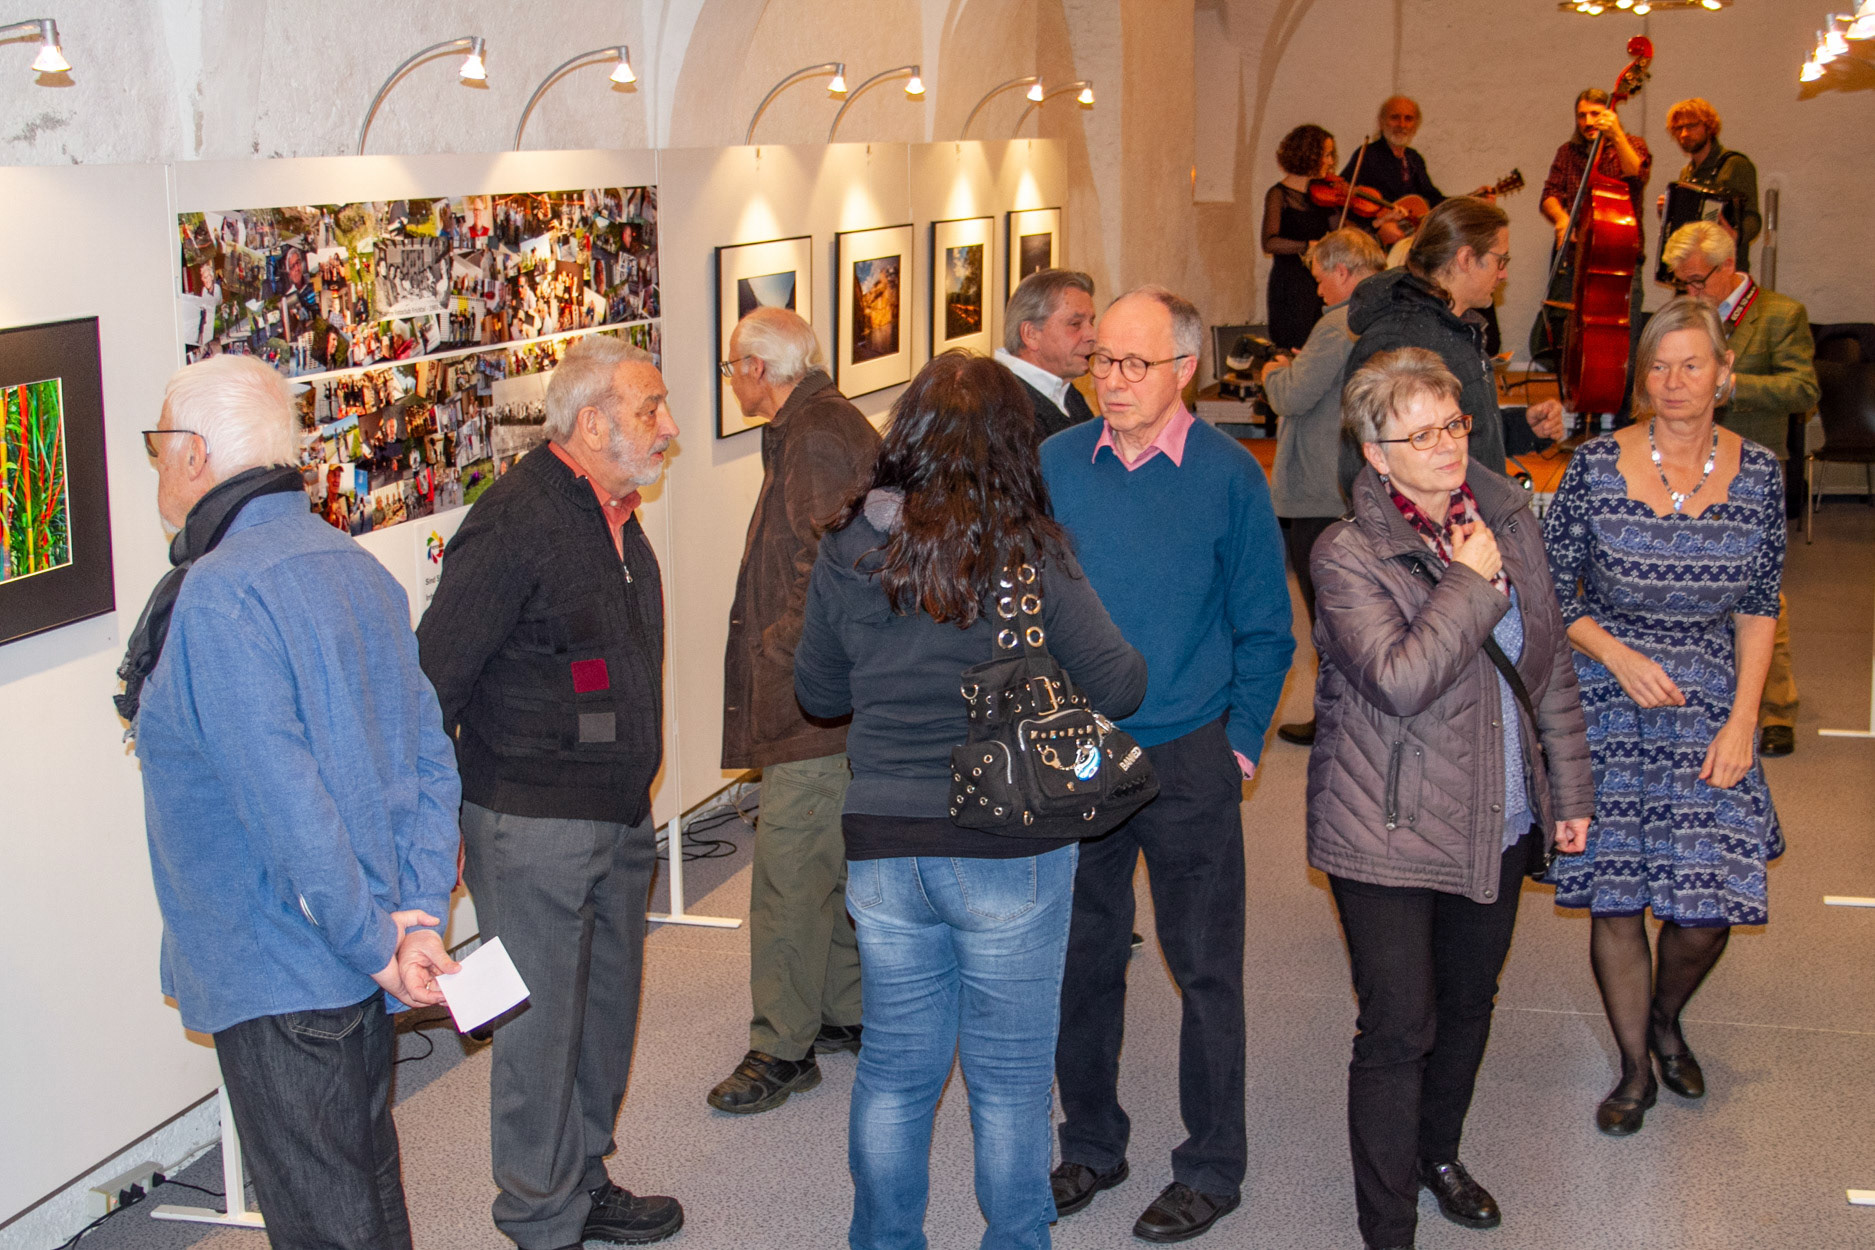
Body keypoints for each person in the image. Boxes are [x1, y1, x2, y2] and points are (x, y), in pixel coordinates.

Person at [792, 351, 1147, 1250]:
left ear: (903, 434)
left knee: (896, 1073)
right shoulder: (1028, 551)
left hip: (881, 840)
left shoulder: (846, 547)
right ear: (1011, 446)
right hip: (1009, 847)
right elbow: (1121, 682)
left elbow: (820, 693)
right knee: (1008, 1079)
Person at [125, 355, 460, 1250]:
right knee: (366, 1196)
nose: (156, 467)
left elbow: (288, 808)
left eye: (159, 447)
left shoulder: (219, 597)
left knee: (328, 1222)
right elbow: (431, 757)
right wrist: (416, 918)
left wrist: (374, 943)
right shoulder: (353, 567)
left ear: (195, 455)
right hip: (362, 943)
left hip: (284, 964)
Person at [1307, 347, 1593, 1250]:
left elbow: (1542, 660)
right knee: (1398, 1025)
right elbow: (1399, 679)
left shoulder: (1506, 516)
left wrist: (1568, 785)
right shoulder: (1348, 552)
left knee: (1469, 1002)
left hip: (1500, 816)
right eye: (1419, 433)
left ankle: (1438, 1155)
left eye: (1454, 425)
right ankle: (1386, 1224)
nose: (1445, 447)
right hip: (1386, 826)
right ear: (1375, 454)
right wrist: (1470, 584)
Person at [417, 335, 684, 1249]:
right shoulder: (512, 522)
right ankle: (537, 1215)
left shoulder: (617, 514)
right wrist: (433, 833)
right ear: (593, 419)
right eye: (651, 410)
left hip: (615, 817)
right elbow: (434, 679)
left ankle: (584, 1174)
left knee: (605, 1011)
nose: (669, 428)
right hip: (527, 826)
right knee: (535, 1027)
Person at [1043, 286, 1296, 1243]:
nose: (1110, 380)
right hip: (1078, 752)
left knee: (1205, 969)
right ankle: (1092, 1146)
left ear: (1184, 368)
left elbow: (1265, 629)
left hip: (1190, 753)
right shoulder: (1056, 464)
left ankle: (1211, 1165)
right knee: (1083, 961)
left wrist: (1236, 747)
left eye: (1132, 364)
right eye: (1101, 359)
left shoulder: (1229, 477)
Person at [1543, 296, 1786, 1137]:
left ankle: (1664, 1016)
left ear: (1723, 374)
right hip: (1609, 689)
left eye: (1691, 364)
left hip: (1712, 693)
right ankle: (1633, 1067)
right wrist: (1613, 654)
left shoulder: (1758, 473)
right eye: (1657, 365)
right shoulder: (1593, 466)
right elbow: (1550, 591)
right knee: (1616, 896)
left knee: (1703, 905)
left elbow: (1758, 603)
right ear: (1639, 376)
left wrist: (1744, 718)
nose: (1673, 381)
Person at [711, 307, 880, 1115]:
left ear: (755, 368)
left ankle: (781, 1046)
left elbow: (831, 564)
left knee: (786, 872)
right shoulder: (819, 422)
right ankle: (844, 1010)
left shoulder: (813, 434)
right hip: (828, 703)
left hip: (813, 706)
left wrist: (782, 651)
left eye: (728, 368)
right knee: (825, 861)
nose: (728, 382)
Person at [1664, 220, 1817, 756]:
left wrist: (1735, 386)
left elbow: (1803, 388)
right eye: (1681, 282)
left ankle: (1775, 710)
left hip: (1750, 471)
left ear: (1728, 265)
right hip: (1684, 465)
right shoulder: (1688, 317)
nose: (1689, 291)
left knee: (1761, 593)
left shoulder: (1782, 314)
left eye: (1698, 280)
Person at [1260, 226, 1388, 747]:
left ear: (1342, 272)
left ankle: (1334, 719)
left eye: (1319, 279)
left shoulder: (1338, 325)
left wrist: (1275, 369)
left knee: (1327, 618)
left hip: (1319, 489)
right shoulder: (1380, 314)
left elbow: (1291, 396)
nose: (1317, 291)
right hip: (1354, 482)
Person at [1344, 197, 1566, 494]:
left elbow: (1457, 433)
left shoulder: (1452, 328)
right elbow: (1375, 463)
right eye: (1501, 260)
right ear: (1465, 258)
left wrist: (1523, 427)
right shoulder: (1402, 340)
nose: (1504, 274)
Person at [1534, 88, 1653, 380]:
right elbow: (1549, 193)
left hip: (1620, 260)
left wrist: (1616, 136)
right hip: (1576, 258)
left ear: (1610, 115)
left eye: (1595, 114)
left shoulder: (1632, 144)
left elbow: (1636, 173)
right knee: (1572, 337)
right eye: (1581, 115)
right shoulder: (1568, 151)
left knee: (1624, 338)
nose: (1588, 121)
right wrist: (1562, 220)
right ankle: (1577, 404)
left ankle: (1624, 410)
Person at [995, 268, 1099, 439]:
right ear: (1031, 334)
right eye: (1075, 324)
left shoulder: (1066, 392)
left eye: (1091, 322)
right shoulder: (1003, 410)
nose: (1092, 336)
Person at [1659, 98, 1761, 273]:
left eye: (1691, 126)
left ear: (1709, 126)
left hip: (1725, 270)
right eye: (1678, 129)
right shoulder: (1686, 173)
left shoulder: (1735, 165)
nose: (1684, 134)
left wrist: (1735, 236)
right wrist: (1668, 212)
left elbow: (1752, 218)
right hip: (1692, 271)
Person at [1263, 123, 1340, 350]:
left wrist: (1378, 221)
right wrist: (1307, 245)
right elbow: (1269, 242)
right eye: (1326, 155)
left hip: (1321, 283)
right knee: (1293, 348)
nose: (1331, 161)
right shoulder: (1278, 195)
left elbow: (1340, 234)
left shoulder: (1327, 194)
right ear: (1310, 155)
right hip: (1291, 285)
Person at [1340, 96, 1443, 249]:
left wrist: (1472, 198)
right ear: (1381, 122)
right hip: (1374, 244)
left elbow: (1432, 198)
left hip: (1406, 243)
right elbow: (1344, 199)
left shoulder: (1414, 158)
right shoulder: (1368, 155)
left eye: (1408, 119)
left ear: (1415, 125)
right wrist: (1377, 228)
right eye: (1395, 117)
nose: (1402, 125)